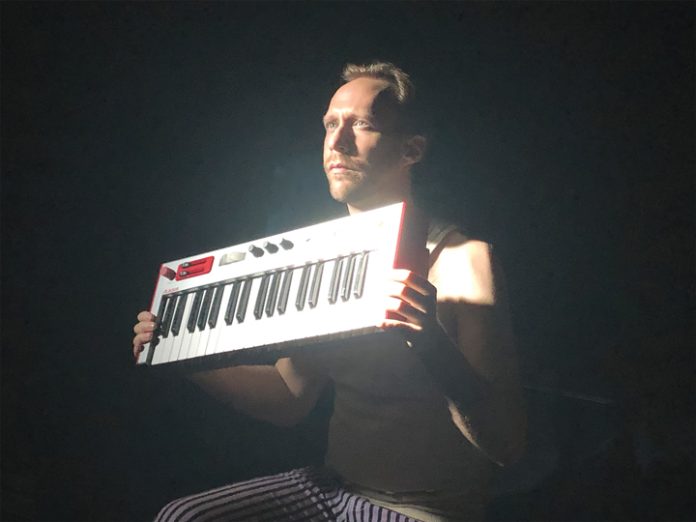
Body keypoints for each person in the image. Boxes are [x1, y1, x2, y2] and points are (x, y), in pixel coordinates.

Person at [133, 62, 527, 522]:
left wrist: (432, 345)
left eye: (362, 124)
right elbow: (289, 396)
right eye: (330, 124)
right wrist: (181, 355)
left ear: (412, 149)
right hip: (331, 487)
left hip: (424, 508)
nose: (336, 143)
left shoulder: (466, 259)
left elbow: (507, 446)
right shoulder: (324, 259)